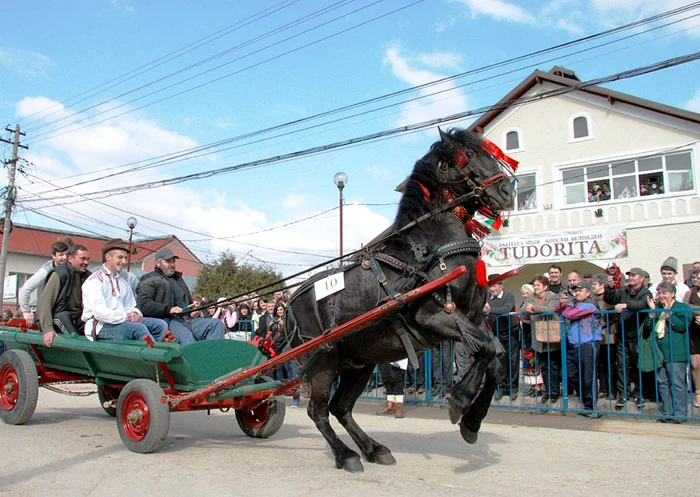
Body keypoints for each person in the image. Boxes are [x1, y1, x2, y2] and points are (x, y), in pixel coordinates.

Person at [81, 239, 169, 342]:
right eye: (120, 257)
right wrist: (128, 317)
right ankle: (152, 355)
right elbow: (100, 313)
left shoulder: (122, 282)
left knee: (161, 325)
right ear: (108, 257)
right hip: (101, 326)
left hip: (123, 322)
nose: (124, 261)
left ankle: (147, 351)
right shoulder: (95, 281)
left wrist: (136, 314)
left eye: (125, 258)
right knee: (138, 329)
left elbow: (131, 306)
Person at [137, 247, 225, 345]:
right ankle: (194, 359)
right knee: (187, 338)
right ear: (158, 263)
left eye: (173, 261)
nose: (172, 265)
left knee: (217, 324)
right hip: (169, 321)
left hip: (187, 320)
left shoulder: (178, 279)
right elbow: (144, 305)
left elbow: (188, 304)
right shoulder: (149, 278)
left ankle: (212, 358)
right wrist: (169, 310)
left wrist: (194, 312)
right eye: (168, 261)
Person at [603, 267, 653, 410]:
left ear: (642, 278)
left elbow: (642, 304)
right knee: (622, 366)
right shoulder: (623, 290)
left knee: (639, 366)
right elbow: (610, 298)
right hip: (623, 334)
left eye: (634, 275)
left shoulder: (645, 292)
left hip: (638, 336)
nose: (630, 277)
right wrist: (611, 288)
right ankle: (623, 394)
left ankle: (639, 394)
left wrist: (626, 305)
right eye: (629, 275)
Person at [641, 282, 691, 422]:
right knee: (663, 383)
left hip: (676, 353)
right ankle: (668, 412)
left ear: (672, 294)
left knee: (677, 384)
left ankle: (680, 414)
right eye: (660, 293)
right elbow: (647, 327)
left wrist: (668, 314)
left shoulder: (682, 308)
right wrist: (651, 313)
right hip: (660, 353)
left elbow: (681, 326)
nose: (662, 296)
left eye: (665, 293)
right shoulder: (657, 309)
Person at [556, 281, 602, 418]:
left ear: (588, 292)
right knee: (567, 373)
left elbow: (570, 314)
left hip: (589, 343)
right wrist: (563, 304)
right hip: (574, 344)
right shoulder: (574, 304)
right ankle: (585, 395)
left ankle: (591, 407)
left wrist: (566, 306)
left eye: (580, 291)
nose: (577, 293)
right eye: (575, 291)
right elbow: (557, 310)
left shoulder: (591, 304)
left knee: (589, 376)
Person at [36, 244, 91, 347]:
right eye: (83, 259)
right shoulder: (59, 274)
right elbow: (44, 303)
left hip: (78, 317)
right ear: (70, 258)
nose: (86, 263)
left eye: (88, 259)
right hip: (59, 316)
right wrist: (48, 329)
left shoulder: (89, 277)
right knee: (65, 318)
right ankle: (77, 350)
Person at [523, 275, 560, 403]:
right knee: (543, 366)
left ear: (545, 287)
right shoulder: (530, 297)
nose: (535, 288)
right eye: (534, 285)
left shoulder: (552, 296)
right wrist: (527, 308)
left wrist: (534, 308)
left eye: (538, 285)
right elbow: (523, 308)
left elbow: (551, 309)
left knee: (553, 366)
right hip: (537, 337)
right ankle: (547, 391)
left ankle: (554, 392)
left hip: (550, 335)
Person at [484, 274, 520, 401]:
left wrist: (490, 310)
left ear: (501, 286)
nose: (492, 289)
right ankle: (501, 388)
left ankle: (513, 388)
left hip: (511, 332)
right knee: (500, 362)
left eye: (494, 286)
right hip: (496, 333)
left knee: (513, 361)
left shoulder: (508, 296)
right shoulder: (488, 298)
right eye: (490, 286)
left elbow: (506, 309)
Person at [18, 241, 69, 328]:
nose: (64, 257)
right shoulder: (47, 270)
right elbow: (25, 289)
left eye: (66, 255)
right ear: (53, 256)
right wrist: (26, 313)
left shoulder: (69, 268)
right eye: (61, 255)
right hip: (48, 314)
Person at [591, 273, 619, 401]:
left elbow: (611, 315)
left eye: (595, 284)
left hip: (608, 333)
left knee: (610, 363)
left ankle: (612, 390)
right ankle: (603, 388)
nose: (593, 287)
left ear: (602, 285)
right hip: (597, 335)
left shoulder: (608, 298)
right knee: (600, 363)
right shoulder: (592, 298)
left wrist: (601, 324)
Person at [268, 302, 300, 408]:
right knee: (279, 370)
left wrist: (283, 324)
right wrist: (270, 327)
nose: (279, 311)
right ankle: (280, 396)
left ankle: (296, 398)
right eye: (278, 310)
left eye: (281, 309)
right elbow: (270, 334)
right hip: (278, 348)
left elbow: (292, 332)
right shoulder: (273, 321)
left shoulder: (288, 320)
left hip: (288, 346)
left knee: (292, 371)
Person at [683, 268, 700, 409]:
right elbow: (685, 308)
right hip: (694, 331)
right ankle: (698, 394)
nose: (696, 280)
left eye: (698, 277)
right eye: (694, 277)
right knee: (695, 365)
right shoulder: (689, 293)